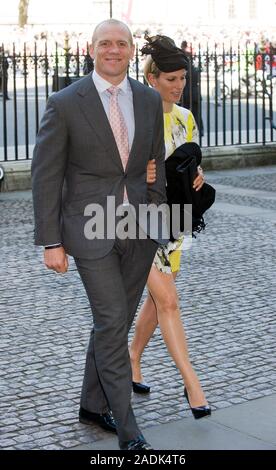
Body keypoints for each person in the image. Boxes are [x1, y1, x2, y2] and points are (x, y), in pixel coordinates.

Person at [32, 19, 167, 450]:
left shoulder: (148, 100)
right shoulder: (66, 102)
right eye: (105, 43)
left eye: (121, 43)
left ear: (131, 51)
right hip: (89, 229)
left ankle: (93, 404)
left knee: (116, 322)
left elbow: (156, 163)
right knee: (112, 321)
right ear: (91, 50)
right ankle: (128, 430)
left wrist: (159, 215)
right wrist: (51, 241)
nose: (113, 50)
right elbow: (46, 175)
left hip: (139, 227)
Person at [129, 34, 211, 419]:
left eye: (183, 79)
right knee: (169, 300)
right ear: (152, 77)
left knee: (157, 299)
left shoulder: (186, 118)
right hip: (136, 220)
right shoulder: (134, 116)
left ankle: (132, 357)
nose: (179, 86)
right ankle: (192, 384)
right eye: (171, 79)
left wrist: (198, 175)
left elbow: (188, 164)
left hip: (174, 221)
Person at [180, 41, 203, 136]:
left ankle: (188, 131)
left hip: (187, 94)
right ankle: (200, 130)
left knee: (185, 114)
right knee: (196, 113)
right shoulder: (194, 69)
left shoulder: (185, 70)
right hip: (196, 93)